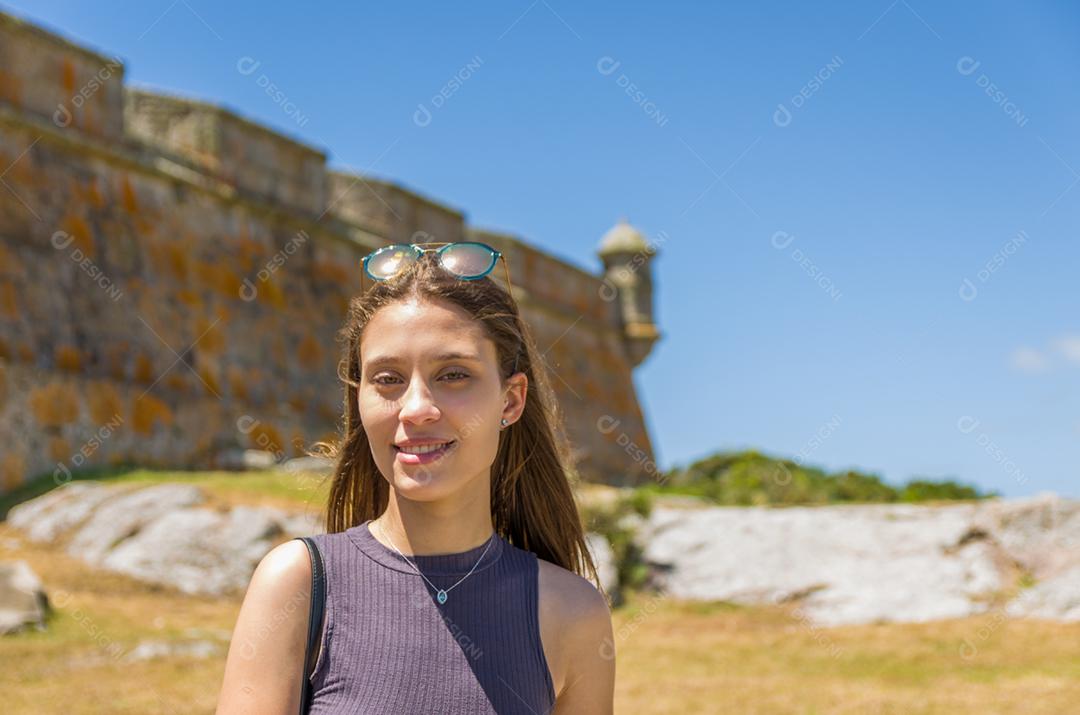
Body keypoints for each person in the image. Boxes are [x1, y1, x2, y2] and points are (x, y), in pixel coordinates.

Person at [216, 242, 615, 714]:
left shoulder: (575, 614)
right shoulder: (297, 584)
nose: (417, 409)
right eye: (387, 379)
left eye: (453, 374)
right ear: (359, 397)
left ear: (510, 401)